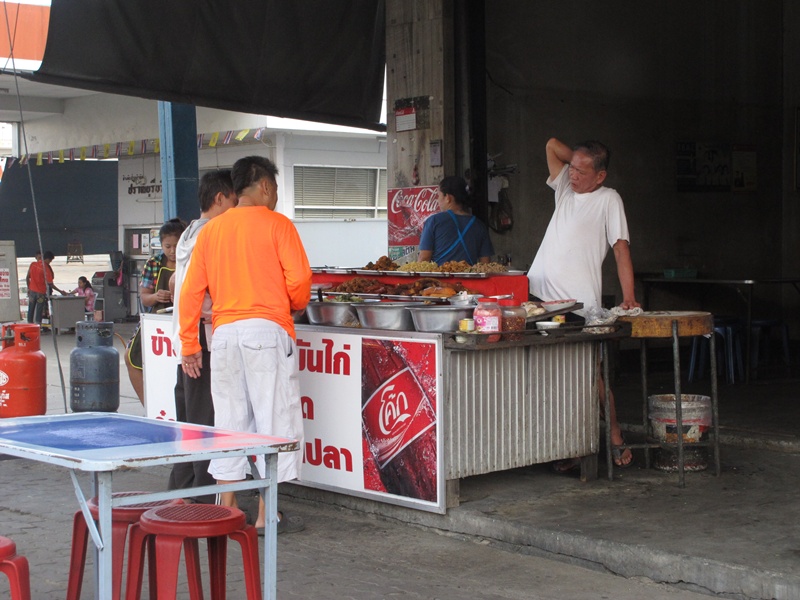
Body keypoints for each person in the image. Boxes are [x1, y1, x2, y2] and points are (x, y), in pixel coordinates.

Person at [179, 155, 312, 534]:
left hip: (222, 338)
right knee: (274, 422)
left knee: (230, 423)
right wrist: (293, 304)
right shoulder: (278, 225)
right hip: (266, 332)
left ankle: (227, 509)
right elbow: (300, 281)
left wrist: (189, 342)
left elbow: (190, 293)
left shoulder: (213, 231)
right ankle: (267, 515)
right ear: (265, 186)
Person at [527, 137, 640, 469]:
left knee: (590, 377)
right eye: (571, 168)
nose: (571, 174)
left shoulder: (608, 199)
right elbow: (550, 145)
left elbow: (621, 250)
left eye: (581, 171)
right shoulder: (564, 188)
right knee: (548, 376)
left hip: (576, 304)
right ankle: (568, 448)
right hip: (537, 298)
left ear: (601, 176)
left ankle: (615, 434)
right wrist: (577, 159)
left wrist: (629, 296)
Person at [168, 170, 238, 503]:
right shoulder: (214, 232)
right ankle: (200, 495)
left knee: (190, 414)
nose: (238, 208)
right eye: (235, 200)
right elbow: (203, 287)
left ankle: (181, 489)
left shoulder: (188, 233)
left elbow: (177, 284)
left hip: (188, 333)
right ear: (220, 198)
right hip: (201, 335)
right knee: (204, 416)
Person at [125, 218, 187, 404]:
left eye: (176, 246)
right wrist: (156, 297)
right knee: (131, 358)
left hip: (183, 320)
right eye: (168, 246)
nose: (173, 251)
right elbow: (144, 297)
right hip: (157, 320)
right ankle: (149, 406)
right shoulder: (154, 263)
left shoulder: (191, 260)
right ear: (161, 244)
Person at [418, 175, 494, 265]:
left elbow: (424, 258)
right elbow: (485, 263)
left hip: (439, 278)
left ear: (448, 198)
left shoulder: (434, 221)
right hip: (469, 278)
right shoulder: (479, 225)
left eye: (438, 196)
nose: (437, 200)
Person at [26, 250, 66, 327]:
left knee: (31, 309)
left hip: (32, 292)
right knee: (39, 310)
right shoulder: (46, 268)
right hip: (40, 293)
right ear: (48, 259)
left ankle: (29, 325)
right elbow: (50, 283)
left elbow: (27, 277)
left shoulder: (33, 265)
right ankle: (37, 326)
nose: (50, 262)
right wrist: (60, 291)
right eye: (50, 261)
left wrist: (29, 288)